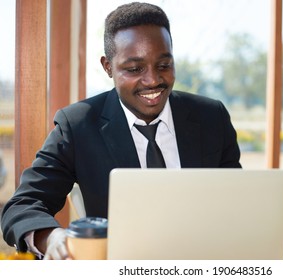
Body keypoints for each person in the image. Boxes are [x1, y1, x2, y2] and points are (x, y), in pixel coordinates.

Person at [1, 2, 241, 260]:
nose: (152, 80)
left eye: (163, 65)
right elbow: (22, 206)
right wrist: (53, 237)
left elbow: (238, 203)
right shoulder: (78, 125)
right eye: (135, 69)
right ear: (108, 67)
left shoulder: (211, 117)